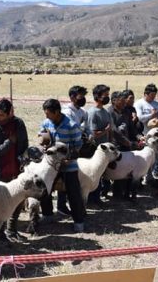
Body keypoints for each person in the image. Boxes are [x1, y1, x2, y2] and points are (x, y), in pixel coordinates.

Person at [0, 98, 28, 243]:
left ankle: (12, 230)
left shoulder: (18, 124)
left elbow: (24, 145)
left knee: (17, 202)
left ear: (10, 113)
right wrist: (9, 142)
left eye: (1, 115)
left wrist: (23, 160)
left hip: (16, 171)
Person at [38, 98, 86, 233]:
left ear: (57, 111)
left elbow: (78, 147)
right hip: (51, 165)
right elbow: (42, 137)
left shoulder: (71, 125)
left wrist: (68, 159)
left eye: (48, 113)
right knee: (44, 189)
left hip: (68, 165)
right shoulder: (47, 122)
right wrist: (43, 143)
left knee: (73, 193)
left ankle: (79, 222)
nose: (46, 116)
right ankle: (47, 215)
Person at [57, 85, 90, 216]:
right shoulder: (67, 112)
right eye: (80, 96)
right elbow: (74, 128)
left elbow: (85, 127)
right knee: (64, 177)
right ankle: (61, 205)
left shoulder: (82, 112)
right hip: (67, 148)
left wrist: (88, 133)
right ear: (72, 97)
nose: (83, 99)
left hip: (78, 146)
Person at [86, 84, 115, 205]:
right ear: (97, 96)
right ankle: (93, 199)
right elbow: (92, 134)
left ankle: (98, 196)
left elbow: (110, 130)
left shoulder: (105, 112)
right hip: (95, 150)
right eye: (105, 95)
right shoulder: (93, 113)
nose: (107, 97)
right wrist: (105, 131)